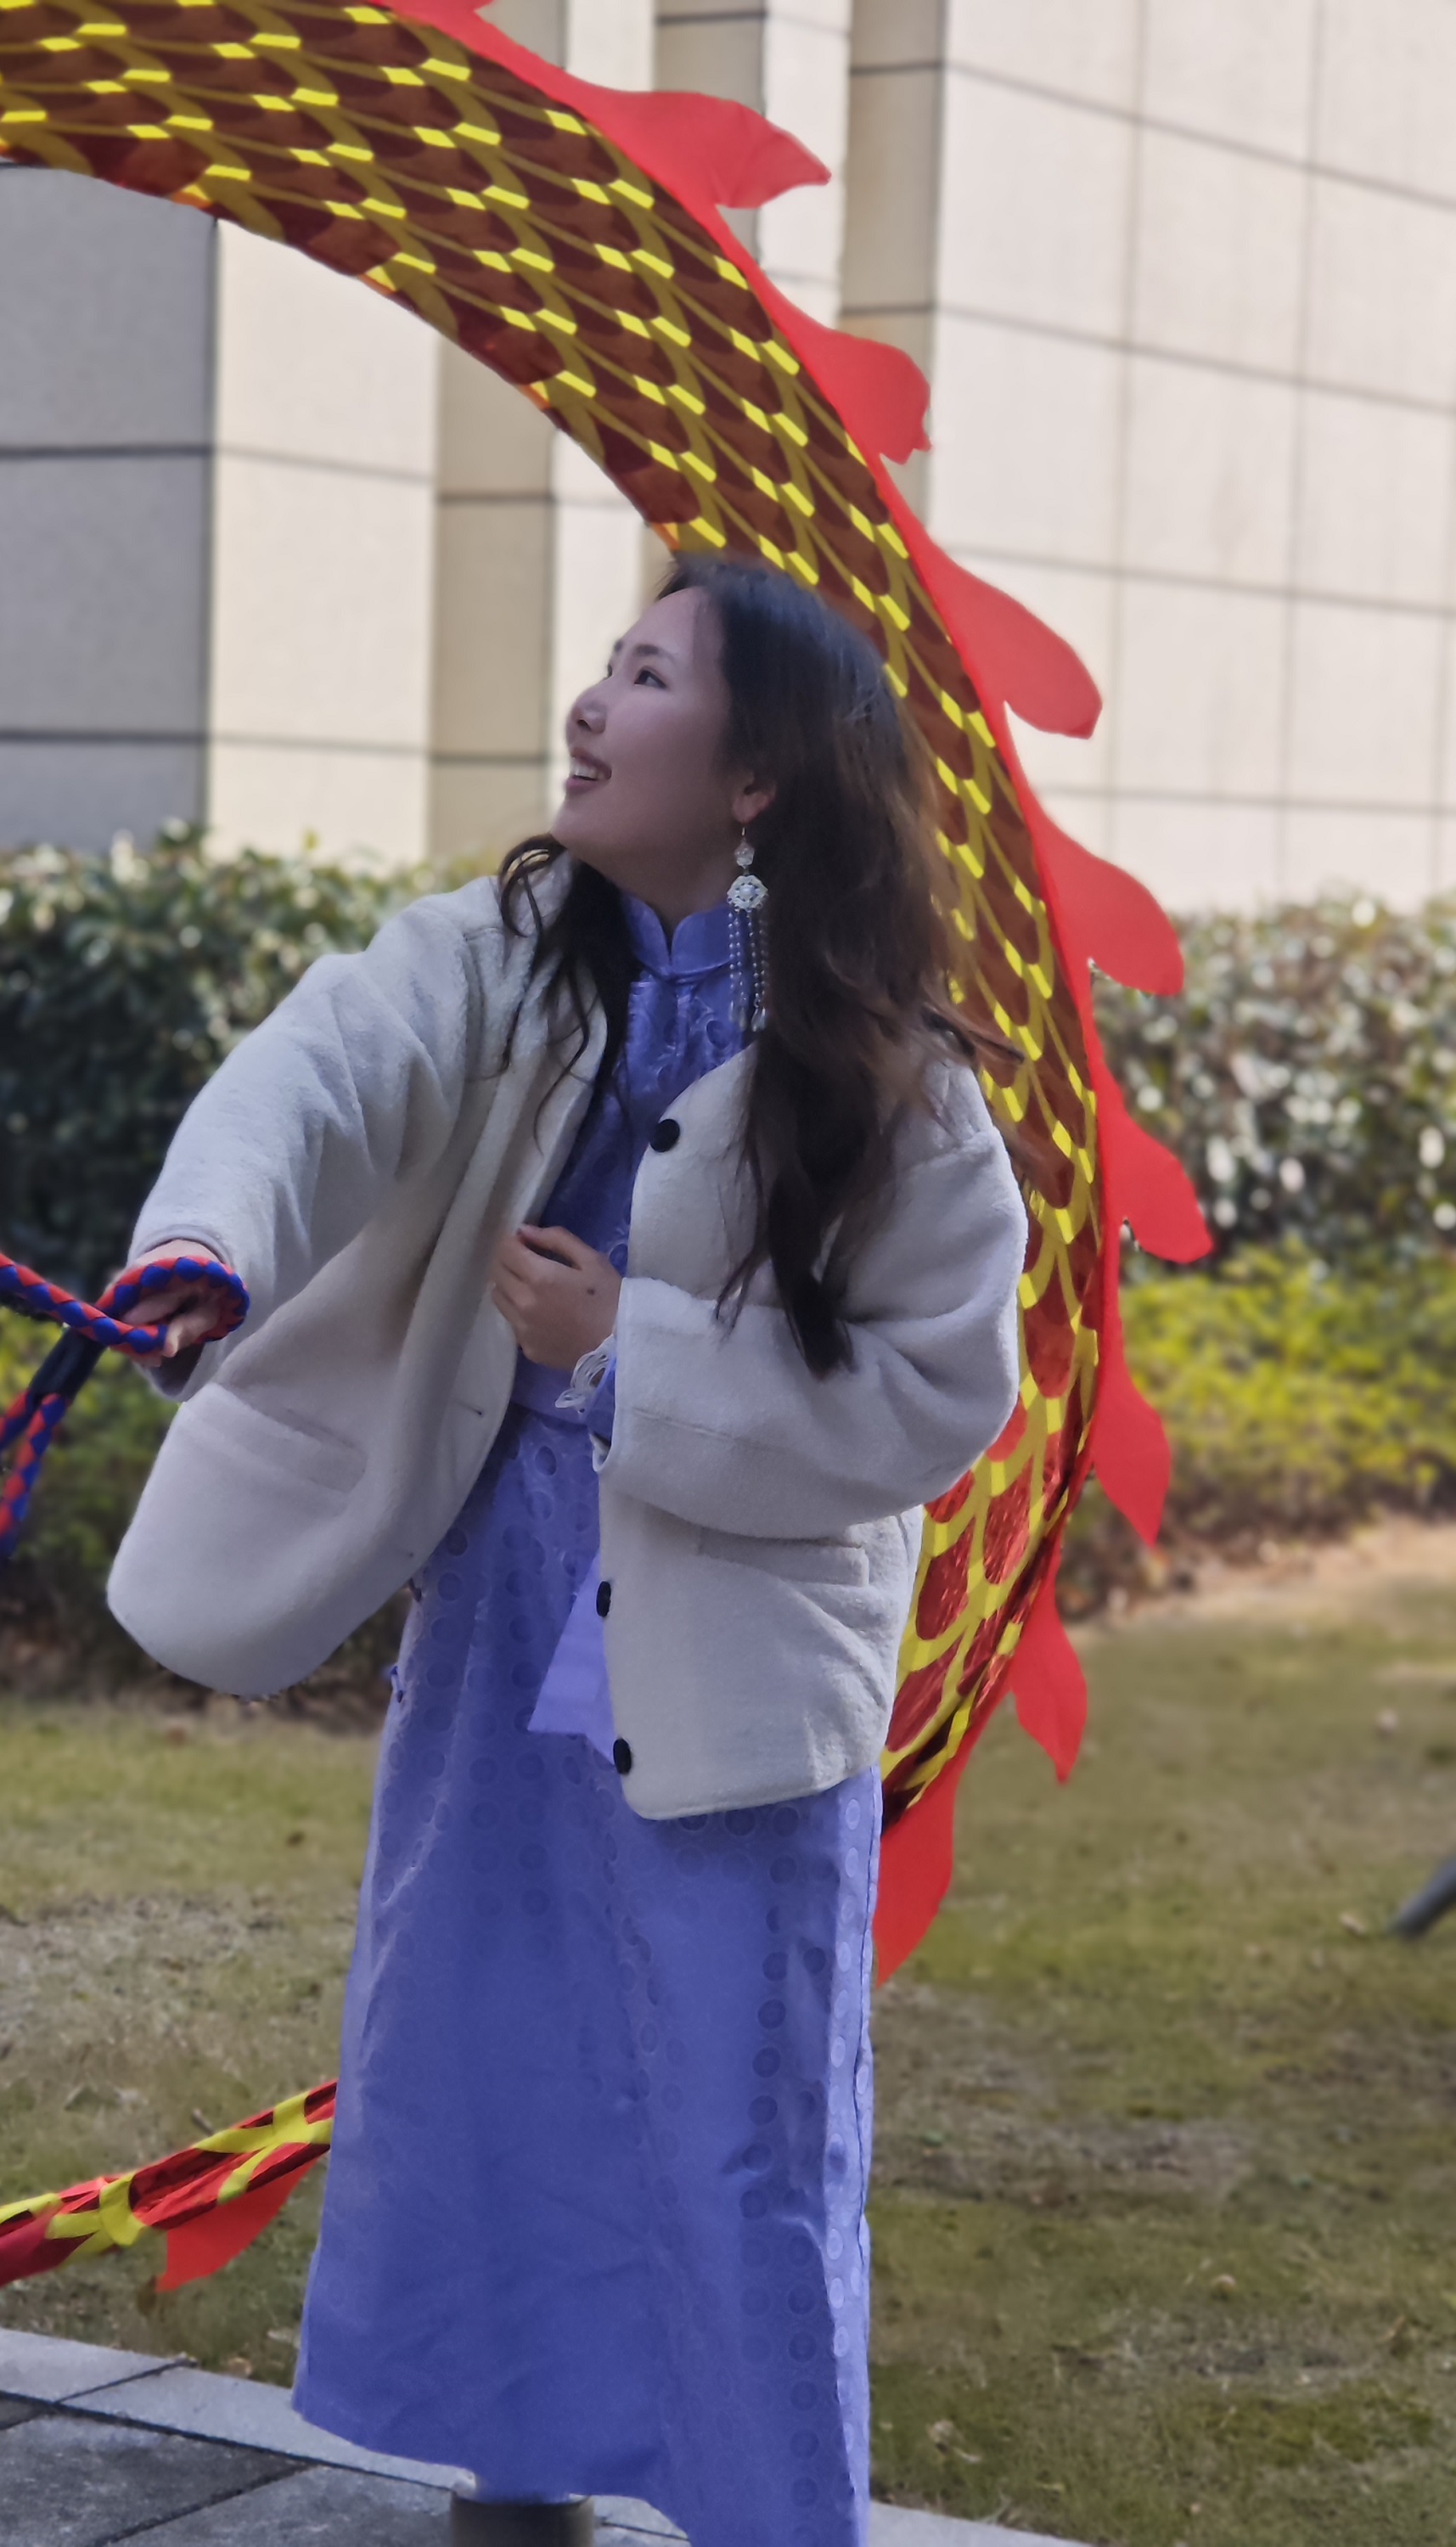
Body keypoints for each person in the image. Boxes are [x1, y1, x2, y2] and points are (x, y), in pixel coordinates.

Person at [105, 558, 1026, 2547]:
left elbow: (934, 1401)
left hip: (736, 1644)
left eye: (646, 676)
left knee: (735, 2124)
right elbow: (321, 1071)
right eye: (607, 667)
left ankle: (770, 2514)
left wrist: (631, 1354)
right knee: (490, 2055)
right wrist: (211, 1241)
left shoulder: (901, 1088)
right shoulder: (502, 960)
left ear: (759, 776)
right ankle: (512, 2488)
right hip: (505, 1606)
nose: (591, 707)